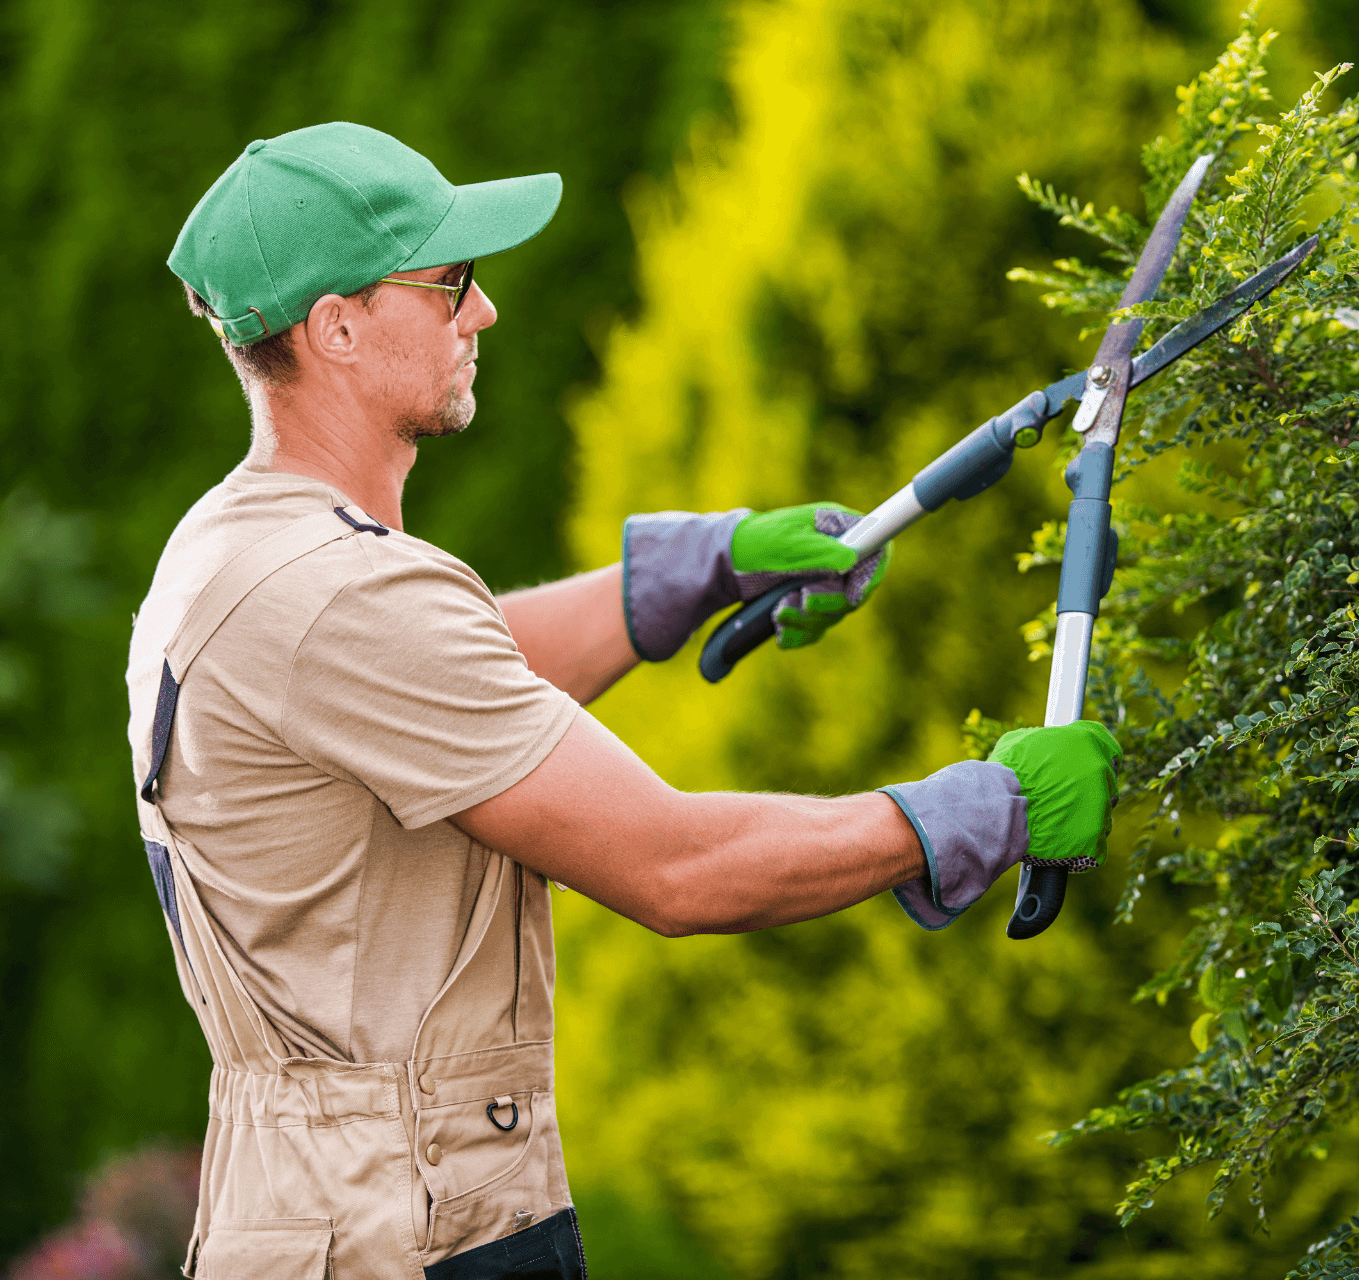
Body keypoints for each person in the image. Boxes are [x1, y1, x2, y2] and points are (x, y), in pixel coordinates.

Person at [128, 123, 1120, 1280]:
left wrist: (700, 566)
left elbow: (453, 678)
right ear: (337, 327)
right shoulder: (340, 594)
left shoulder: (239, 551)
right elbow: (676, 866)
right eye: (448, 283)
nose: (482, 312)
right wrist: (977, 811)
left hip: (328, 1208)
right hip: (411, 1233)